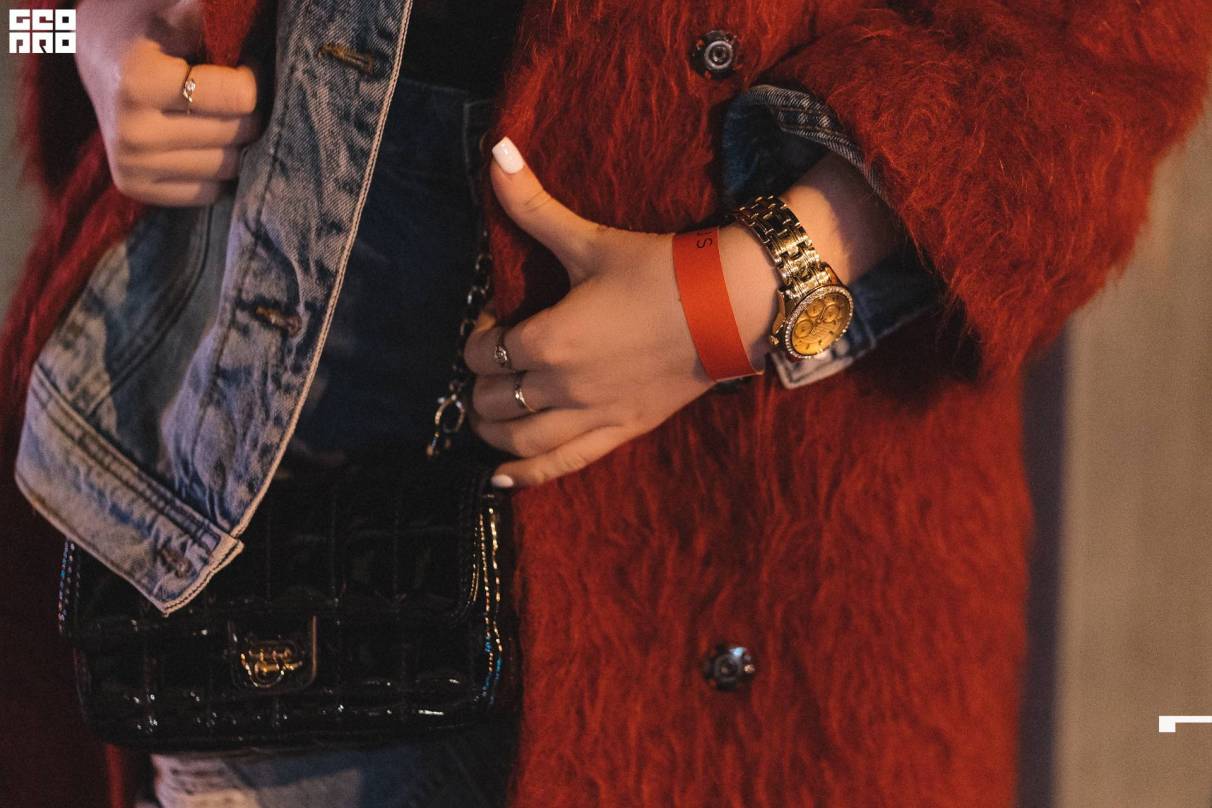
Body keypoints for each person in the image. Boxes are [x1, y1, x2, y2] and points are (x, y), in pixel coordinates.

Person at [1, 0, 1209, 806]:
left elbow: (1114, 39)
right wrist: (93, 33)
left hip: (756, 543)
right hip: (235, 505)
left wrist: (749, 289)